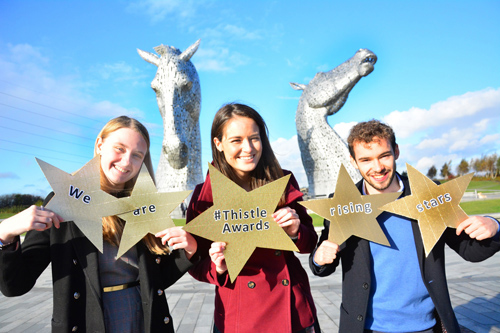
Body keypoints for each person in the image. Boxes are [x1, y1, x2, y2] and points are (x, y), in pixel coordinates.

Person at [0, 116, 198, 333]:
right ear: (99, 145)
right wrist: (6, 233)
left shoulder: (144, 204)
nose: (126, 161)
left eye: (136, 155)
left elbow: (155, 281)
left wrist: (188, 252)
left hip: (143, 320)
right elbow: (15, 286)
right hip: (87, 321)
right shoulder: (63, 201)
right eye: (119, 148)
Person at [310, 119, 500, 333]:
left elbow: (470, 251)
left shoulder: (429, 194)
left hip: (428, 326)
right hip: (365, 328)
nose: (377, 167)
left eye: (384, 155)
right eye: (366, 159)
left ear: (396, 152)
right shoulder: (342, 202)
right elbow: (323, 264)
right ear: (354, 161)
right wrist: (319, 258)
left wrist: (494, 226)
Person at [186, 103, 319, 332]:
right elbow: (196, 264)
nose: (248, 148)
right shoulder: (203, 196)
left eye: (254, 138)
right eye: (236, 140)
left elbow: (310, 243)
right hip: (240, 317)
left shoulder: (282, 181)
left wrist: (296, 232)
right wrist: (219, 268)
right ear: (218, 144)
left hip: (293, 313)